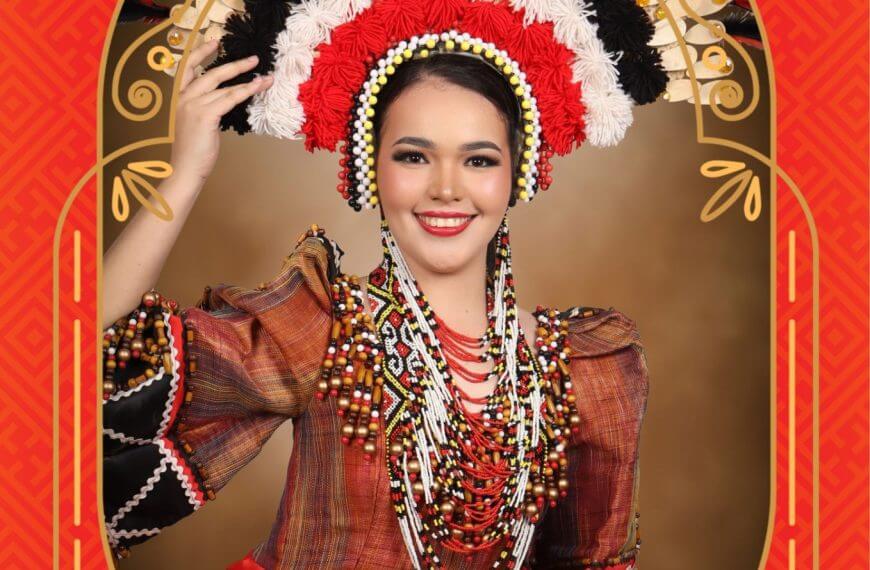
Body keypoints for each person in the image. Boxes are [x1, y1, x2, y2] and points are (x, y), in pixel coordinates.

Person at [102, 1, 665, 568]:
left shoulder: (585, 371)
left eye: (478, 161)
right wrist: (185, 173)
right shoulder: (323, 331)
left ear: (517, 172)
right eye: (414, 156)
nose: (446, 188)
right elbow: (86, 348)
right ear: (372, 167)